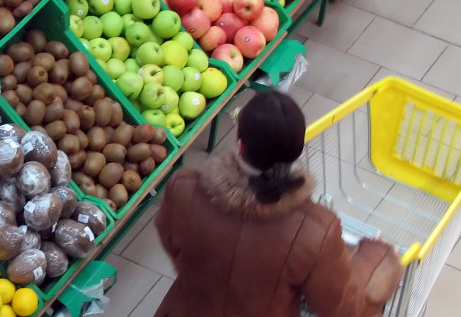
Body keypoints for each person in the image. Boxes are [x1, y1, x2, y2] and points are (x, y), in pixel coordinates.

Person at [154, 91, 404, 317]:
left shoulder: (184, 188)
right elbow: (342, 309)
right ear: (297, 151)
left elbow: (174, 245)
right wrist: (378, 260)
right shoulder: (314, 230)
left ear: (240, 145)